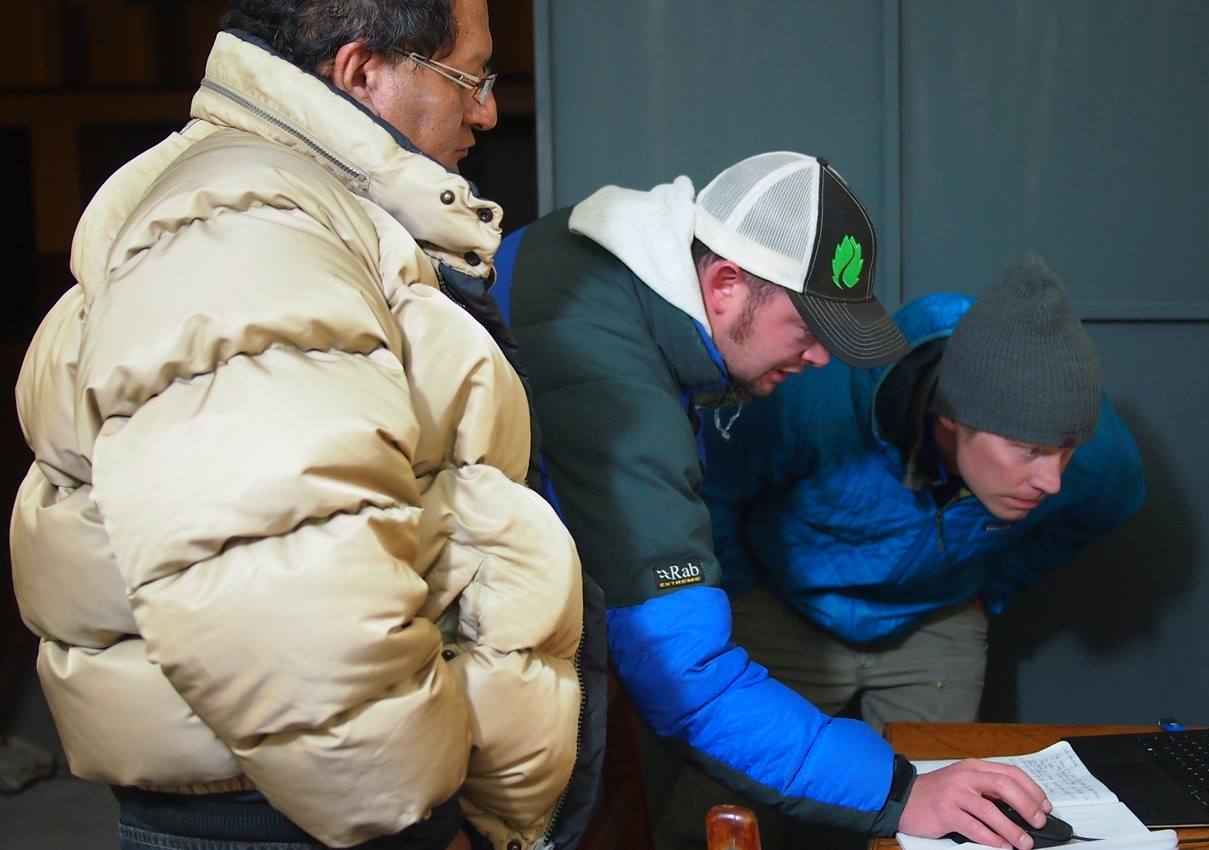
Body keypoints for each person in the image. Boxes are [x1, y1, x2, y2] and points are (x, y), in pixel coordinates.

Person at [9, 2, 593, 849]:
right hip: (314, 812)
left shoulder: (286, 209)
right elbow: (276, 600)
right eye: (472, 78)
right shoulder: (245, 227)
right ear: (361, 71)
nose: (487, 111)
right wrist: (404, 812)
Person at [506, 151, 1057, 850]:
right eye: (808, 330)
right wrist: (902, 791)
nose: (820, 360)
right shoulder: (621, 401)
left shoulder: (592, 247)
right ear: (726, 284)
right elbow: (690, 680)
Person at [687, 254, 1146, 845]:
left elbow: (1109, 501)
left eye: (1067, 451)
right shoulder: (815, 398)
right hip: (786, 603)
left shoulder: (1095, 452)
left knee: (949, 822)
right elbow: (717, 489)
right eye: (1028, 452)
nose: (1053, 480)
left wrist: (990, 589)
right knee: (723, 804)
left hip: (936, 617)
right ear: (952, 422)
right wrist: (745, 592)